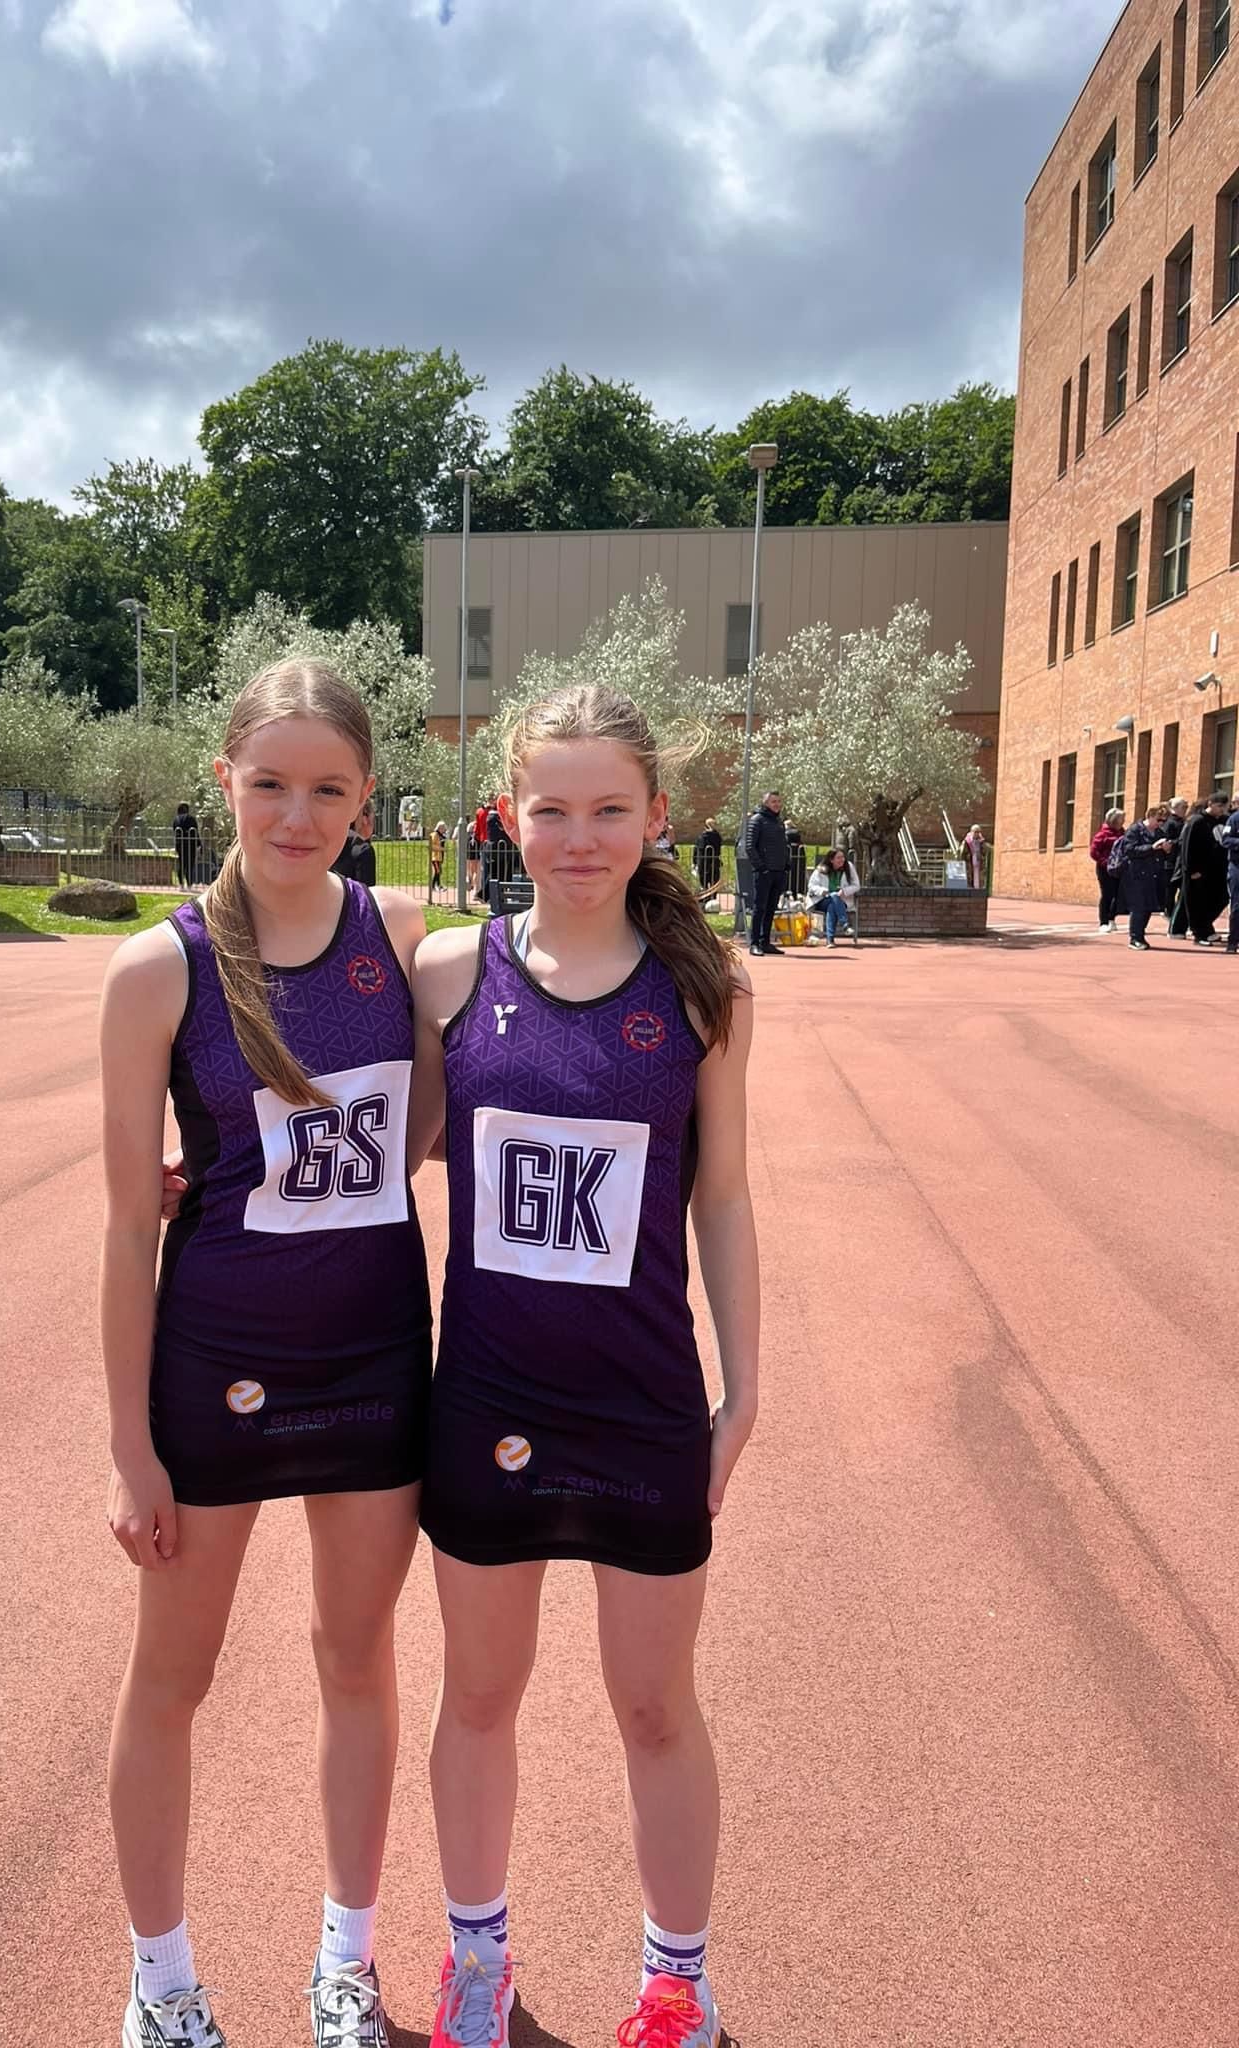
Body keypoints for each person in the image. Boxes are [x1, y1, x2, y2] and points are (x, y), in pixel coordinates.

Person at [408, 682, 758, 2048]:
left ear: (656, 815)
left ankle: (677, 1982)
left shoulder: (706, 991)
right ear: (508, 814)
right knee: (479, 1695)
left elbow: (723, 1197)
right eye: (550, 808)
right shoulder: (452, 971)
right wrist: (201, 1158)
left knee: (656, 1705)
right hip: (487, 1400)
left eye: (610, 808)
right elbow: (386, 1137)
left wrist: (745, 1389)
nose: (579, 836)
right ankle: (477, 1963)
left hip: (642, 1403)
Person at [99, 660, 433, 2048]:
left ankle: (346, 1962)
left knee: (357, 1659)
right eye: (272, 783)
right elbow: (128, 1226)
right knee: (172, 1677)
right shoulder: (157, 970)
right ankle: (162, 1981)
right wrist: (129, 1446)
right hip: (216, 1368)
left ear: (367, 800)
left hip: (374, 1362)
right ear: (224, 777)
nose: (299, 815)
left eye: (330, 789)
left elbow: (440, 1118)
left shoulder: (406, 937)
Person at [1116, 806, 1173, 950]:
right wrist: (1151, 847)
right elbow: (1130, 850)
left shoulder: (1160, 833)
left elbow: (1165, 855)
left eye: (1164, 821)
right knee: (1138, 907)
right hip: (1136, 874)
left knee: (1149, 907)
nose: (1161, 823)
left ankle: (1140, 936)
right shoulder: (1135, 830)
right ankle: (1135, 937)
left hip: (1154, 875)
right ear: (1150, 816)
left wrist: (1167, 850)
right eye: (1159, 820)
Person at [1177, 795, 1229, 946]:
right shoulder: (1197, 821)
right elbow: (1187, 847)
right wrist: (1191, 869)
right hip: (1198, 870)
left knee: (1221, 898)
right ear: (1210, 804)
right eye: (1219, 806)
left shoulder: (1224, 820)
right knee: (1197, 902)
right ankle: (1199, 934)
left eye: (1224, 807)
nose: (1222, 810)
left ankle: (1206, 927)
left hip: (1218, 869)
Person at [745, 790, 789, 958]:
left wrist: (786, 864)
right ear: (765, 803)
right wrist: (761, 867)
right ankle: (755, 943)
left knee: (771, 908)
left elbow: (783, 845)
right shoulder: (757, 820)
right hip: (764, 872)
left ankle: (765, 942)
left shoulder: (779, 822)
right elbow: (750, 847)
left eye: (778, 801)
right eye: (773, 801)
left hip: (778, 871)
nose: (777, 804)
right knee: (760, 907)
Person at [805, 847, 860, 944]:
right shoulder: (821, 869)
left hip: (842, 901)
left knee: (832, 906)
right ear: (831, 860)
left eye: (843, 857)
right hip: (822, 900)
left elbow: (856, 885)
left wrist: (844, 891)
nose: (842, 860)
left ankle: (830, 940)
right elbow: (811, 886)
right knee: (834, 897)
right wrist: (823, 891)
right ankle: (845, 924)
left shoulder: (849, 867)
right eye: (838, 858)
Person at [1089, 809, 1125, 931]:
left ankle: (1111, 918)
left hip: (1118, 868)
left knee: (1118, 894)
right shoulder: (1102, 835)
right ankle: (1103, 922)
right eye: (1121, 819)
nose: (1123, 821)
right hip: (1105, 869)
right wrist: (1105, 862)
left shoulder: (1122, 833)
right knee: (1107, 894)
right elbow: (1094, 852)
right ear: (1113, 820)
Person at [332, 801, 378, 887]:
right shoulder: (363, 850)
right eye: (374, 819)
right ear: (365, 819)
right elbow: (365, 893)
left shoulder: (330, 841)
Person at [1164, 799, 1192, 933]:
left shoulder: (1184, 822)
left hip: (1181, 861)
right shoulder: (1170, 823)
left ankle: (1180, 917)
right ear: (1174, 808)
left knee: (1183, 890)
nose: (1185, 809)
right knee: (1171, 890)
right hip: (1172, 861)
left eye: (1186, 806)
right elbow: (1167, 842)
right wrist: (1180, 841)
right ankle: (1170, 914)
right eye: (1183, 807)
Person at [693, 816, 723, 904]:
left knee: (704, 882)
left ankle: (706, 900)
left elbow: (696, 850)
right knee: (714, 881)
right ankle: (713, 900)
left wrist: (694, 862)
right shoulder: (717, 837)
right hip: (714, 862)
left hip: (703, 862)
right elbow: (718, 850)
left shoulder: (701, 837)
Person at [1222, 801, 1239, 953]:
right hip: (1237, 867)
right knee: (1237, 905)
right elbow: (1226, 840)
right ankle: (1233, 941)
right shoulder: (1234, 819)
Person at [172, 803, 202, 891]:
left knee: (181, 864)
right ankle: (189, 884)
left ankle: (181, 884)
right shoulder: (191, 819)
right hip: (190, 844)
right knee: (190, 864)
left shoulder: (176, 819)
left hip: (179, 844)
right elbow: (195, 832)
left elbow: (175, 832)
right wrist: (199, 844)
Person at [962, 823, 987, 890]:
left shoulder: (981, 840)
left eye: (978, 832)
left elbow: (984, 851)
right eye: (975, 832)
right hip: (970, 861)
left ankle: (978, 888)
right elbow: (963, 852)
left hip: (979, 860)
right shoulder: (967, 841)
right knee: (970, 875)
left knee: (979, 875)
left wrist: (981, 855)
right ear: (972, 832)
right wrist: (968, 856)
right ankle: (971, 887)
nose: (977, 834)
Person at [429, 820, 447, 901]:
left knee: (439, 871)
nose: (444, 829)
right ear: (439, 827)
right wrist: (441, 849)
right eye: (443, 827)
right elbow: (432, 845)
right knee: (437, 871)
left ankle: (439, 885)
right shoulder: (434, 835)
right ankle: (433, 886)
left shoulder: (442, 836)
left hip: (440, 856)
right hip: (435, 857)